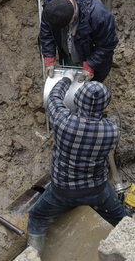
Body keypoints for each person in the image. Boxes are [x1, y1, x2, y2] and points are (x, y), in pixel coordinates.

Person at [27, 75, 127, 257]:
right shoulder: (112, 130)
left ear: (78, 99)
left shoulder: (63, 121)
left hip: (62, 191)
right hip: (97, 190)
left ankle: (32, 256)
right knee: (121, 218)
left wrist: (67, 78)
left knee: (37, 217)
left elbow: (54, 97)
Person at [39, 0, 118, 83]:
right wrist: (49, 55)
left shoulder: (98, 15)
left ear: (73, 17)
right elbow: (46, 31)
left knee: (90, 86)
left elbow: (107, 45)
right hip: (69, 51)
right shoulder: (51, 6)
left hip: (91, 54)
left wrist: (91, 64)